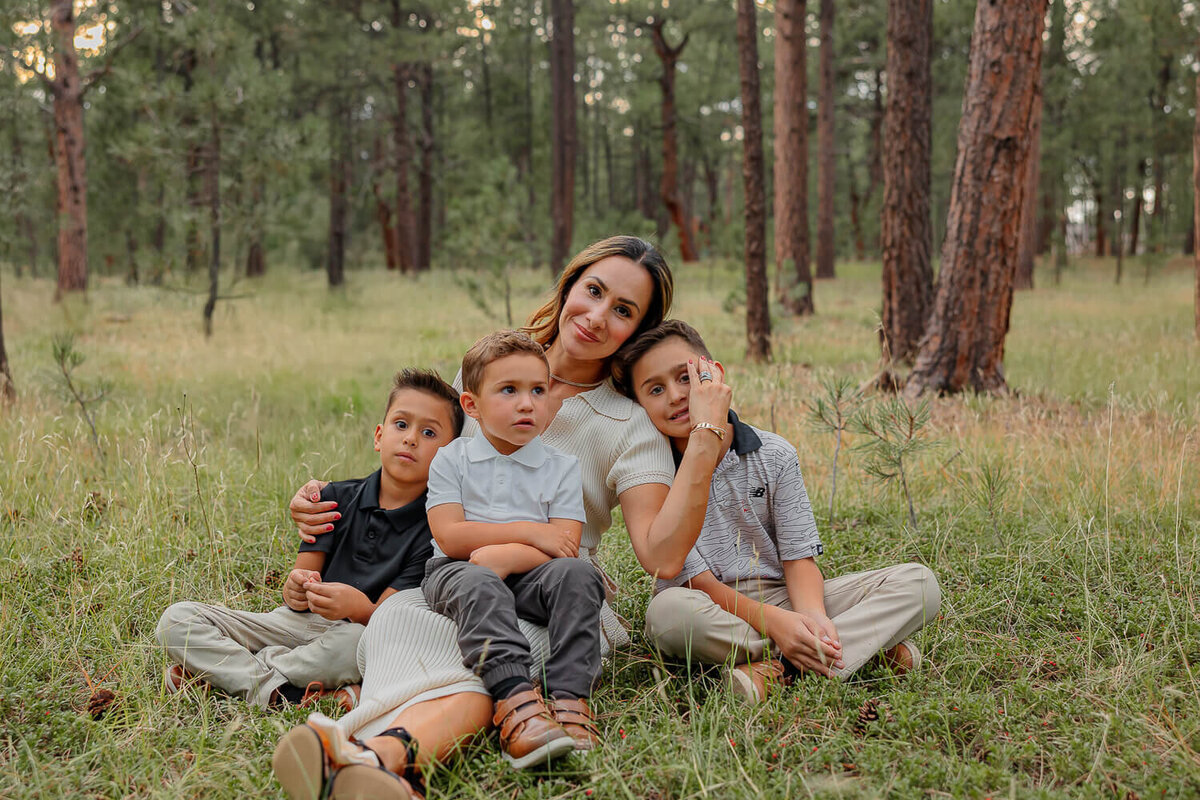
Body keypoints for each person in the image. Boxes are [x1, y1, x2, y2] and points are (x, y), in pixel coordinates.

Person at [274, 236, 731, 800]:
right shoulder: (492, 369)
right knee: (398, 621)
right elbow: (413, 464)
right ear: (569, 286)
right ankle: (363, 752)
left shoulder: (627, 425)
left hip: (555, 593)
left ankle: (380, 755)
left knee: (482, 662)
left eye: (623, 311)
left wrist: (706, 441)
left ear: (636, 332)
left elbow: (661, 555)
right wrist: (324, 504)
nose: (595, 317)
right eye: (593, 291)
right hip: (457, 575)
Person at [614, 320, 942, 702]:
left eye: (685, 377)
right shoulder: (652, 473)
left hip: (785, 596)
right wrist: (778, 625)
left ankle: (778, 669)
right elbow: (698, 583)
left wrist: (813, 617)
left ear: (713, 374)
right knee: (667, 617)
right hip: (710, 605)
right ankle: (856, 654)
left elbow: (798, 560)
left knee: (919, 585)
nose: (674, 395)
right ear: (640, 407)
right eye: (655, 389)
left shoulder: (774, 454)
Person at [156, 369, 462, 716]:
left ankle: (233, 677)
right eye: (401, 425)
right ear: (379, 435)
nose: (410, 439)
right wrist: (297, 589)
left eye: (428, 432)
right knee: (177, 620)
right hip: (292, 625)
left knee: (357, 645)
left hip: (355, 633)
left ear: (449, 455)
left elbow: (385, 620)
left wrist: (356, 606)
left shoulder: (434, 528)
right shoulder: (333, 499)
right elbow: (298, 591)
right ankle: (286, 693)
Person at [423, 329, 602, 768]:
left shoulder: (561, 467)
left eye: (538, 391)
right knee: (480, 580)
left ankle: (570, 699)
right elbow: (451, 536)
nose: (527, 404)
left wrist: (506, 555)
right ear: (472, 405)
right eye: (509, 390)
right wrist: (530, 531)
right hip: (456, 569)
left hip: (531, 573)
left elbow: (566, 547)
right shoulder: (452, 458)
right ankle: (516, 700)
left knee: (580, 576)